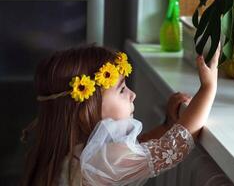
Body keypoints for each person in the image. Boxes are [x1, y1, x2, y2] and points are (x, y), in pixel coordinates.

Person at [20, 44, 220, 186]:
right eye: (122, 89)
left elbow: (137, 148)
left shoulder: (68, 152)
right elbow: (174, 147)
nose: (133, 95)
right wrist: (208, 88)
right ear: (86, 109)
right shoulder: (96, 162)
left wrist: (167, 125)